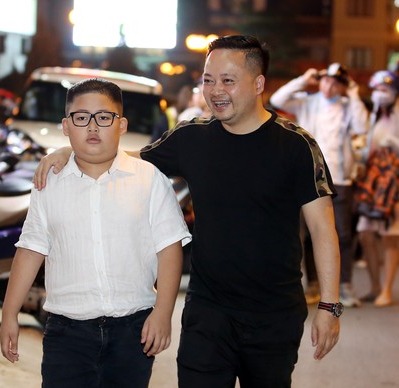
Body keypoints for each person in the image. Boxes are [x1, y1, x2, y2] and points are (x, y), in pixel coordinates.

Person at [33, 35, 342, 388]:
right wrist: (68, 153)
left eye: (227, 80)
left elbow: (323, 230)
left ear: (258, 84)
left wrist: (329, 307)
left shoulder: (297, 146)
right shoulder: (191, 137)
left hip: (274, 315)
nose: (215, 90)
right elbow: (128, 159)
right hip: (207, 312)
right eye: (208, 80)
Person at [0, 78, 192, 388]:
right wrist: (9, 314)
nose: (92, 127)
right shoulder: (49, 184)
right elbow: (31, 249)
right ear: (66, 125)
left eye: (104, 117)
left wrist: (163, 312)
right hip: (66, 333)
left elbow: (169, 248)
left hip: (133, 330)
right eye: (81, 117)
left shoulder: (148, 179)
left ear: (121, 124)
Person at [270, 62, 369, 308]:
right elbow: (278, 99)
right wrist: (303, 80)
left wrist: (355, 94)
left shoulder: (348, 106)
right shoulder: (308, 100)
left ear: (344, 86)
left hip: (340, 177)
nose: (329, 85)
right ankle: (313, 284)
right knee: (308, 234)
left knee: (343, 234)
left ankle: (344, 286)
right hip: (309, 176)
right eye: (326, 80)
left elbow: (362, 127)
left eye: (336, 82)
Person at [356, 70, 399, 307]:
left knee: (390, 236)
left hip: (394, 182)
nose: (379, 95)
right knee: (365, 233)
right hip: (374, 182)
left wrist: (392, 143)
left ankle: (386, 289)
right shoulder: (376, 115)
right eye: (377, 90)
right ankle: (374, 286)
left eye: (384, 90)